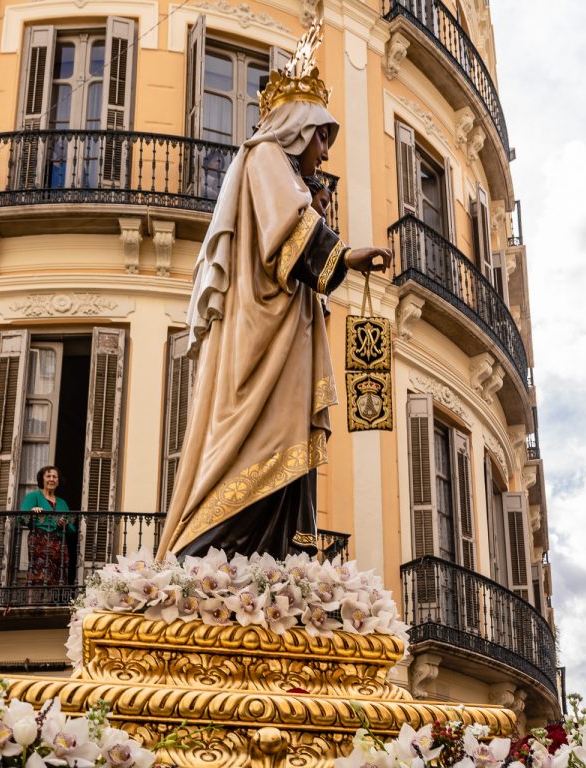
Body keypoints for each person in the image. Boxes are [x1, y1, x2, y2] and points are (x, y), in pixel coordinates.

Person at [156, 22, 391, 560]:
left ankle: (276, 561)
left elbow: (295, 234)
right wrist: (347, 255)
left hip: (283, 338)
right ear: (297, 129)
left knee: (283, 444)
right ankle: (217, 556)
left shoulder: (284, 175)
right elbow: (288, 236)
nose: (325, 153)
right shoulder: (264, 158)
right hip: (257, 337)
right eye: (322, 138)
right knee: (253, 441)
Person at [20, 466, 74, 586]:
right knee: (39, 577)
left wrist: (65, 524)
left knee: (57, 578)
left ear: (58, 481)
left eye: (54, 477)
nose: (51, 479)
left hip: (59, 544)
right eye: (48, 476)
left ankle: (52, 598)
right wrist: (32, 513)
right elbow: (22, 518)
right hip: (40, 542)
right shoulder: (33, 496)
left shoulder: (62, 503)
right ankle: (34, 598)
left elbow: (72, 529)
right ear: (42, 479)